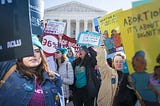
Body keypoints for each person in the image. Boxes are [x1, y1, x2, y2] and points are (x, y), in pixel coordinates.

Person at [0, 35, 63, 106]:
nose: (33, 54)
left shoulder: (54, 79)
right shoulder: (8, 69)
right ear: (20, 55)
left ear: (41, 55)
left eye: (37, 51)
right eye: (28, 51)